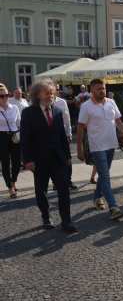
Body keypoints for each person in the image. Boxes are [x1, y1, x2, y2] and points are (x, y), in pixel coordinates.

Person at [20, 79, 77, 233]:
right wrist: (28, 160)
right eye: (47, 93)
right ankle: (46, 217)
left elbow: (62, 136)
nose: (50, 95)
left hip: (58, 159)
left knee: (64, 190)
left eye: (52, 93)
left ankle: (67, 221)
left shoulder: (58, 111)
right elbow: (25, 139)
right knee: (41, 190)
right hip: (39, 160)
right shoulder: (28, 113)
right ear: (37, 94)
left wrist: (68, 156)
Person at [77, 78, 123, 220]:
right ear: (91, 91)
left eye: (103, 88)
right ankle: (113, 207)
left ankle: (96, 197)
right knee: (106, 176)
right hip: (97, 147)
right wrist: (80, 148)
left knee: (103, 174)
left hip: (111, 144)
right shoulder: (86, 106)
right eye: (98, 89)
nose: (102, 91)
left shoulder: (111, 102)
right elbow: (80, 128)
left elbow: (119, 122)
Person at [51, 84, 77, 190]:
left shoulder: (62, 102)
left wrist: (69, 133)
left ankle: (68, 180)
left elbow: (67, 119)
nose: (57, 91)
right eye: (55, 89)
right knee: (54, 159)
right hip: (51, 136)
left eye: (58, 89)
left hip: (63, 134)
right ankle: (55, 182)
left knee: (67, 158)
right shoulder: (43, 102)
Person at [0, 83, 21, 198]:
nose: (4, 98)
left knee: (17, 162)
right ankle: (10, 187)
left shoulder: (15, 108)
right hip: (1, 137)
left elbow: (19, 123)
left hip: (14, 135)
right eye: (1, 96)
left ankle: (13, 181)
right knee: (5, 163)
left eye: (6, 95)